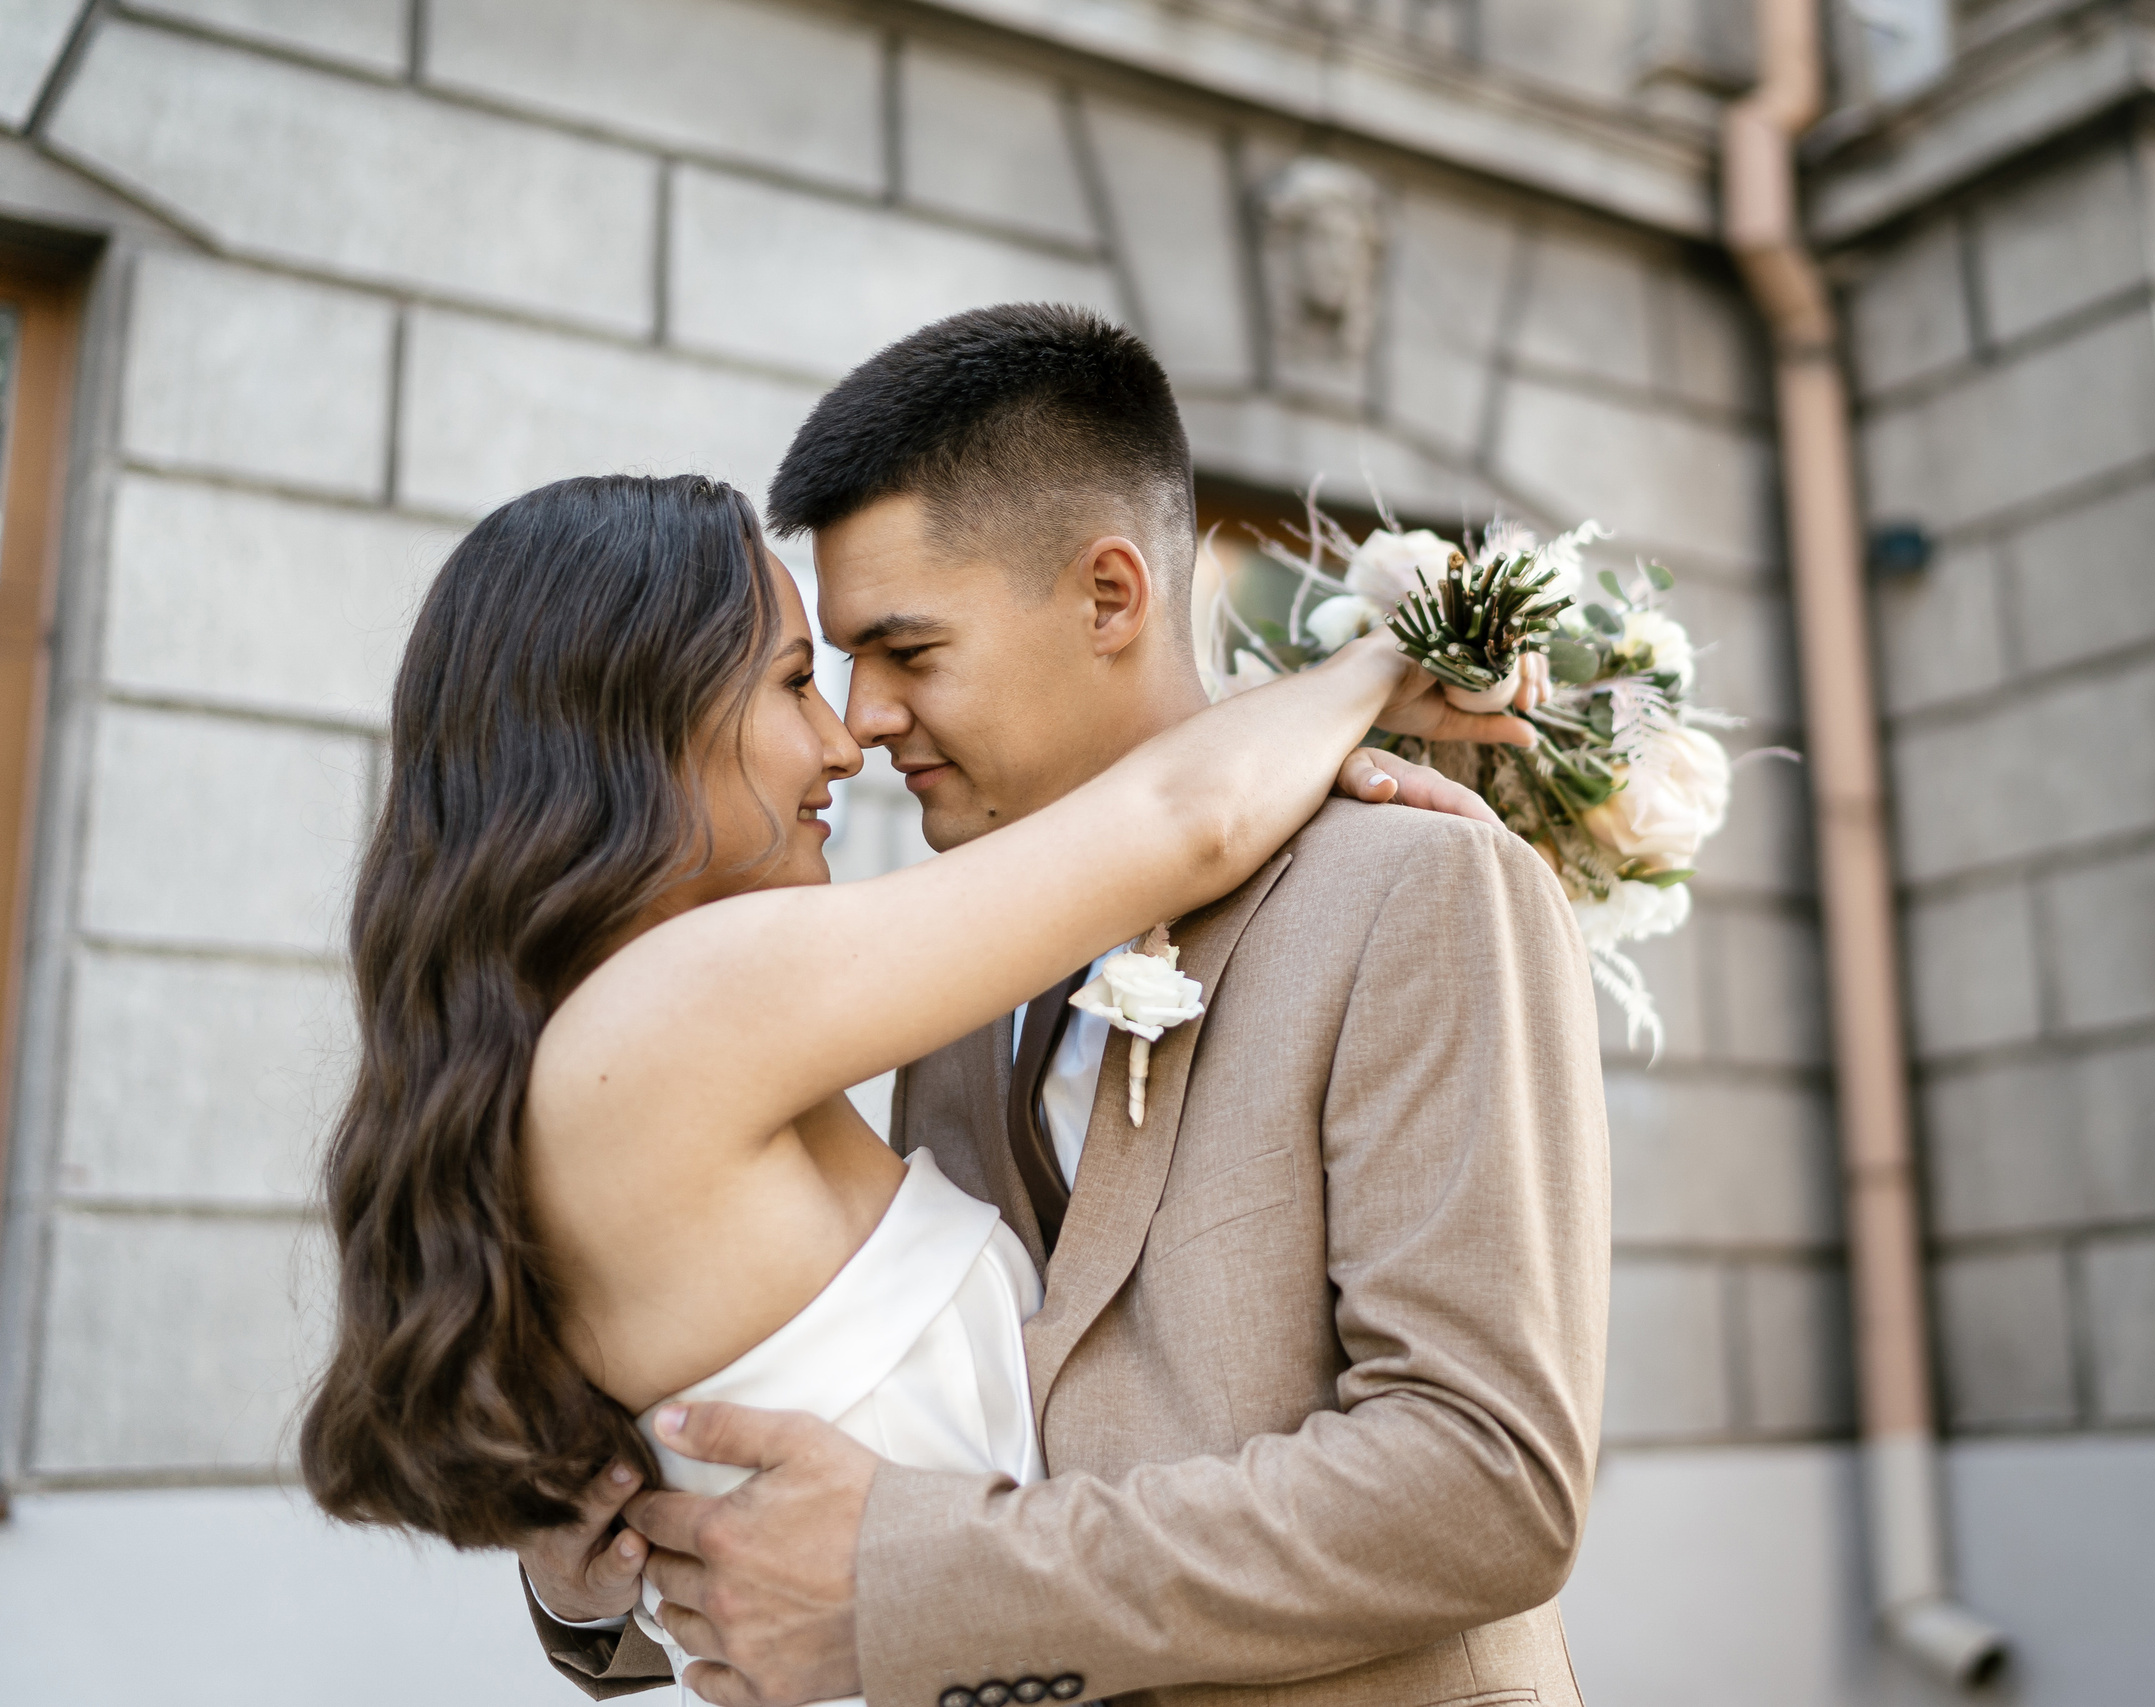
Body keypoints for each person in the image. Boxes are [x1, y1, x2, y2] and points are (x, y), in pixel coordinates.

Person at [512, 306, 1613, 1707]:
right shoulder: (944, 974)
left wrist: (917, 1587)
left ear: (1108, 595)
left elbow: (1486, 1481)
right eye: (833, 661)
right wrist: (593, 1576)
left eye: (908, 650)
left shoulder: (1414, 888)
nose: (863, 719)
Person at [296, 467, 1517, 1700]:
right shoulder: (687, 1006)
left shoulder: (585, 1040)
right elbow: (1185, 817)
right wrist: (1373, 673)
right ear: (633, 717)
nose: (846, 740)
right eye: (791, 684)